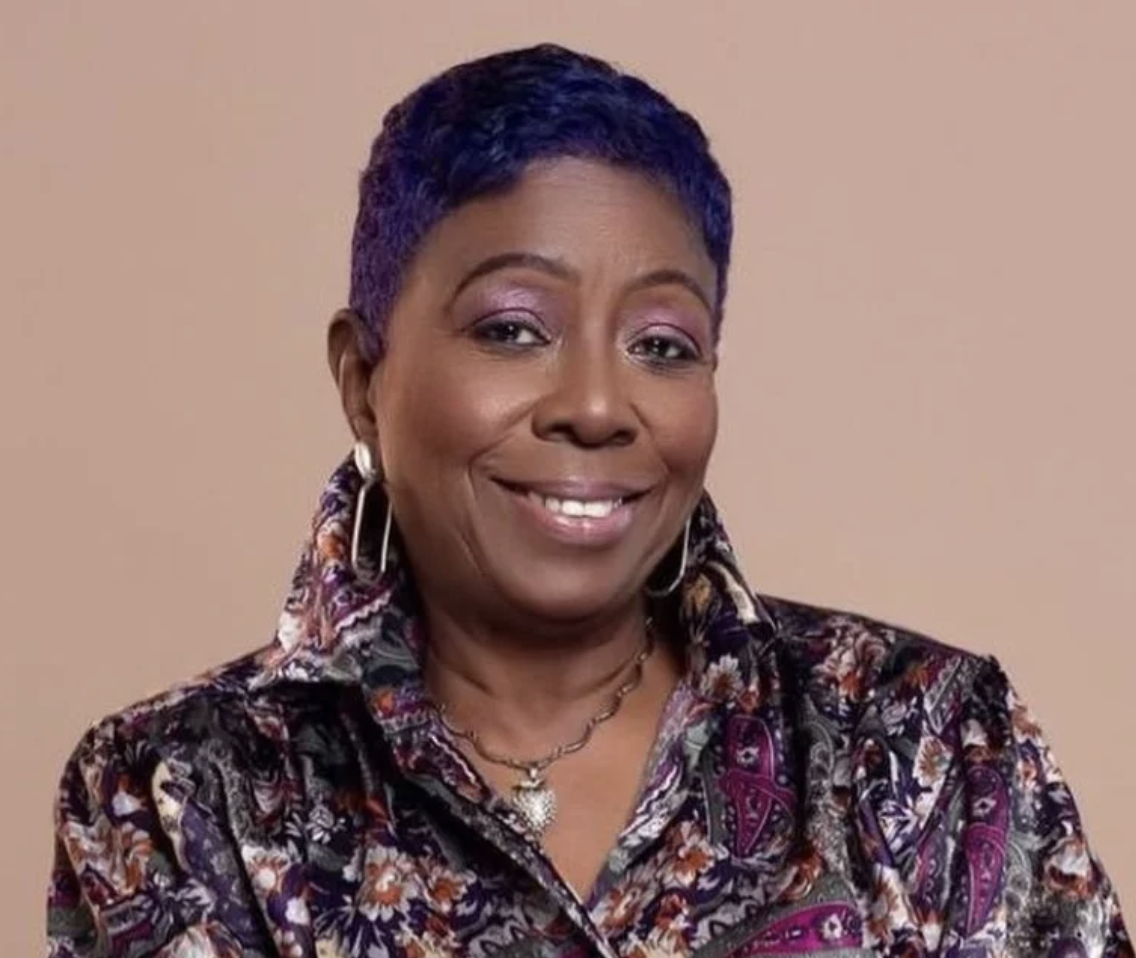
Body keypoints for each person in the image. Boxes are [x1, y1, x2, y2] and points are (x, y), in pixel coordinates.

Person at [47, 44, 1129, 958]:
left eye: (662, 344)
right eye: (513, 328)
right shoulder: (178, 796)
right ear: (362, 379)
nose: (599, 406)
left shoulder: (923, 744)